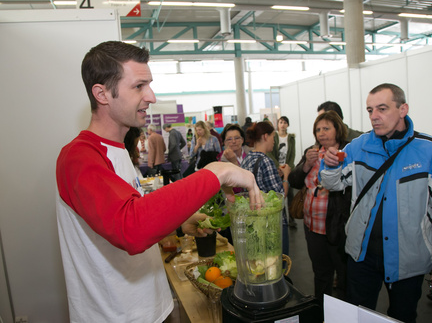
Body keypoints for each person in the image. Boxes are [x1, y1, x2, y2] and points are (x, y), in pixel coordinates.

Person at [55, 41, 262, 323]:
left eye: (149, 84)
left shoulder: (116, 150)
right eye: (139, 86)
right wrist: (216, 172)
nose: (151, 96)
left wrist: (177, 223)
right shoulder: (79, 157)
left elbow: (122, 216)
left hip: (150, 308)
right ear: (102, 93)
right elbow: (131, 228)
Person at [320, 83, 432, 323]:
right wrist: (331, 165)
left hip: (408, 259)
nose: (374, 117)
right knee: (357, 315)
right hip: (362, 255)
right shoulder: (359, 146)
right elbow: (335, 184)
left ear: (403, 109)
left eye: (382, 108)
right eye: (369, 110)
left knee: (403, 315)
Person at [287, 111, 351, 304]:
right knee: (321, 272)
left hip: (338, 225)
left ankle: (342, 313)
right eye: (318, 129)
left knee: (344, 274)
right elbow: (295, 181)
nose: (321, 133)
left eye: (326, 128)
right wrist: (306, 163)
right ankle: (322, 311)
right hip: (312, 225)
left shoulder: (348, 152)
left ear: (337, 129)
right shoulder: (312, 151)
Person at [241, 121, 291, 257]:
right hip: (272, 223)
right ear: (265, 136)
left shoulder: (247, 159)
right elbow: (280, 196)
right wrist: (286, 175)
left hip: (254, 221)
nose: (274, 141)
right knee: (279, 264)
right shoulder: (265, 161)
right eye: (272, 136)